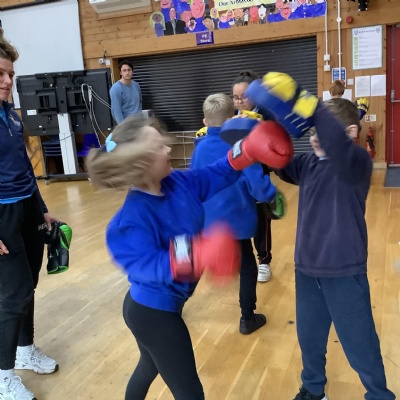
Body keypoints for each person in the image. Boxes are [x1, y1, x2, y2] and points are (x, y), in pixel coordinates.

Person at [85, 114, 292, 399]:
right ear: (142, 163)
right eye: (159, 147)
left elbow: (216, 173)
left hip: (162, 307)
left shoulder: (177, 182)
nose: (168, 149)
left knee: (148, 367)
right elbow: (152, 265)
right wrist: (200, 251)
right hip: (153, 314)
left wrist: (245, 150)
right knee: (190, 392)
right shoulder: (129, 221)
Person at [250, 74, 395, 400]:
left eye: (322, 132)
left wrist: (310, 106)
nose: (315, 138)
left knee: (359, 342)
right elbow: (280, 162)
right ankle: (313, 390)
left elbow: (333, 138)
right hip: (307, 268)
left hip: (344, 271)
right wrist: (265, 119)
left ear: (351, 133)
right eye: (313, 132)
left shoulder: (357, 164)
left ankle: (379, 395)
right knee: (310, 337)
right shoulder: (309, 164)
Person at [0, 28, 58, 400]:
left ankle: (25, 350)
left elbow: (24, 167)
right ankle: (3, 377)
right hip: (2, 215)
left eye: (10, 74)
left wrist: (42, 209)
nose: (8, 81)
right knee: (14, 292)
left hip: (27, 207)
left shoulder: (11, 116)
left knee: (29, 284)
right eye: (0, 74)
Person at [191, 93, 279, 334]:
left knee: (197, 263)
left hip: (208, 222)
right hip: (237, 222)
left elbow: (193, 183)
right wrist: (272, 196)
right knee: (247, 267)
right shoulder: (241, 147)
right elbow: (259, 187)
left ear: (205, 121)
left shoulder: (200, 148)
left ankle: (172, 308)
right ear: (232, 119)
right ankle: (247, 318)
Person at [232, 70, 275, 282]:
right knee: (240, 216)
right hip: (237, 177)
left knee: (261, 219)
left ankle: (264, 260)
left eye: (244, 97)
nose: (239, 101)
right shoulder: (232, 117)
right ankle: (244, 260)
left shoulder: (267, 116)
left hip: (258, 174)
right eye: (235, 97)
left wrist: (259, 128)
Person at [109, 59, 142, 124]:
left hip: (139, 123)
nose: (127, 73)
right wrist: (123, 126)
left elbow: (140, 102)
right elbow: (116, 111)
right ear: (120, 73)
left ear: (132, 71)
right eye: (124, 70)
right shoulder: (116, 88)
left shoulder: (136, 85)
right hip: (127, 124)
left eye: (129, 70)